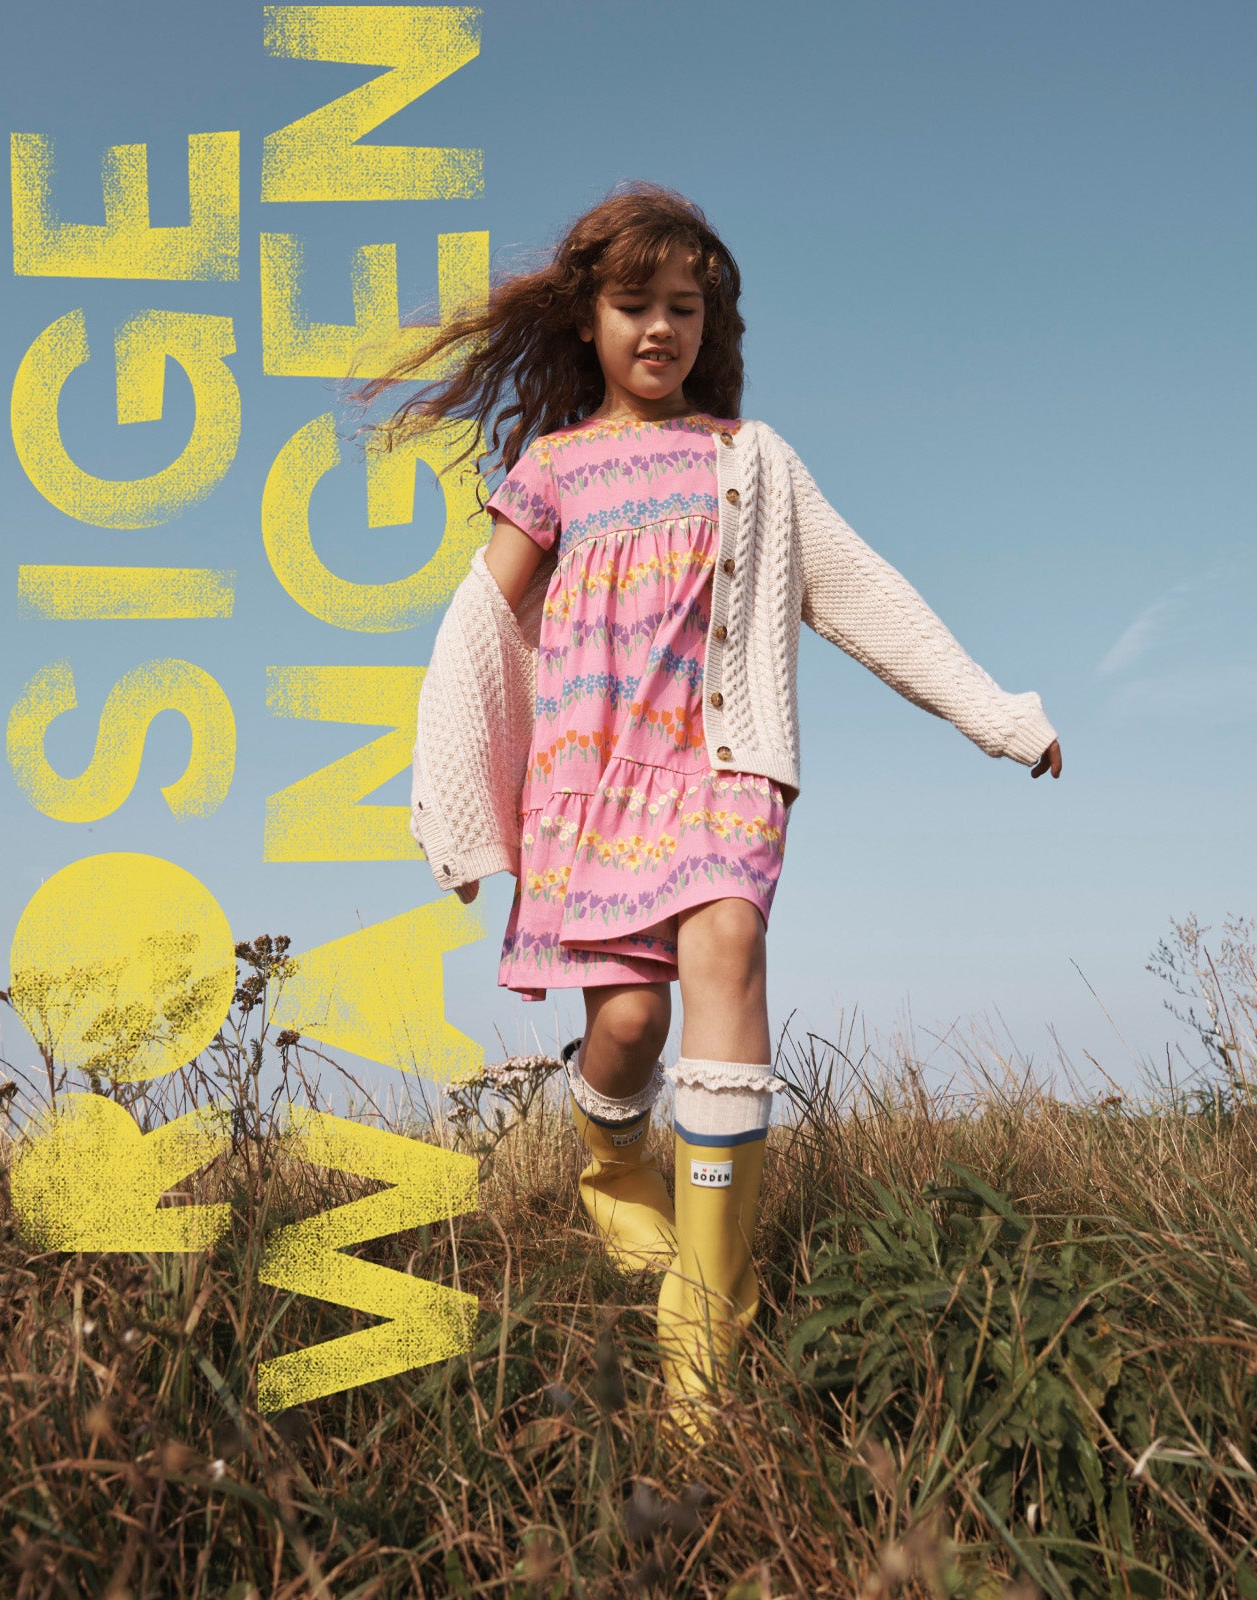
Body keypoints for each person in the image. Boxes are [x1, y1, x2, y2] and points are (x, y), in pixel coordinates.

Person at [364, 181, 1062, 1440]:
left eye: (682, 307)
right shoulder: (554, 467)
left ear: (708, 323)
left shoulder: (753, 462)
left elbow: (864, 594)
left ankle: (705, 1325)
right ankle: (610, 1160)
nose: (658, 329)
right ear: (587, 318)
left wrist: (995, 713)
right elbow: (478, 621)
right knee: (625, 1027)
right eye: (632, 304)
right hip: (591, 780)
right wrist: (456, 793)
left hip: (720, 769)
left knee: (729, 948)